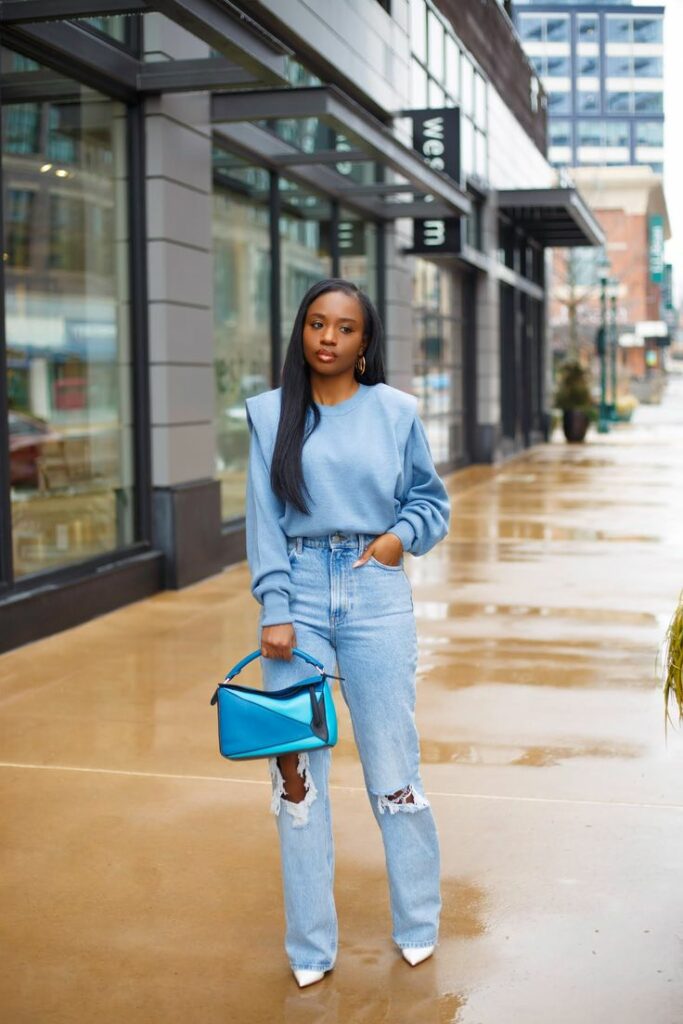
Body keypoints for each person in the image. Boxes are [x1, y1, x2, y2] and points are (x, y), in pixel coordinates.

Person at [244, 278, 451, 988]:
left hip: (373, 589)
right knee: (295, 780)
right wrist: (274, 607)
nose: (327, 337)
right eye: (316, 323)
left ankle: (417, 922)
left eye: (344, 327)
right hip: (297, 595)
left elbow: (429, 500)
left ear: (365, 343)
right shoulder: (269, 414)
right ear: (300, 332)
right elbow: (263, 519)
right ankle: (310, 946)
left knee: (394, 769)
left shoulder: (395, 411)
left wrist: (397, 540)